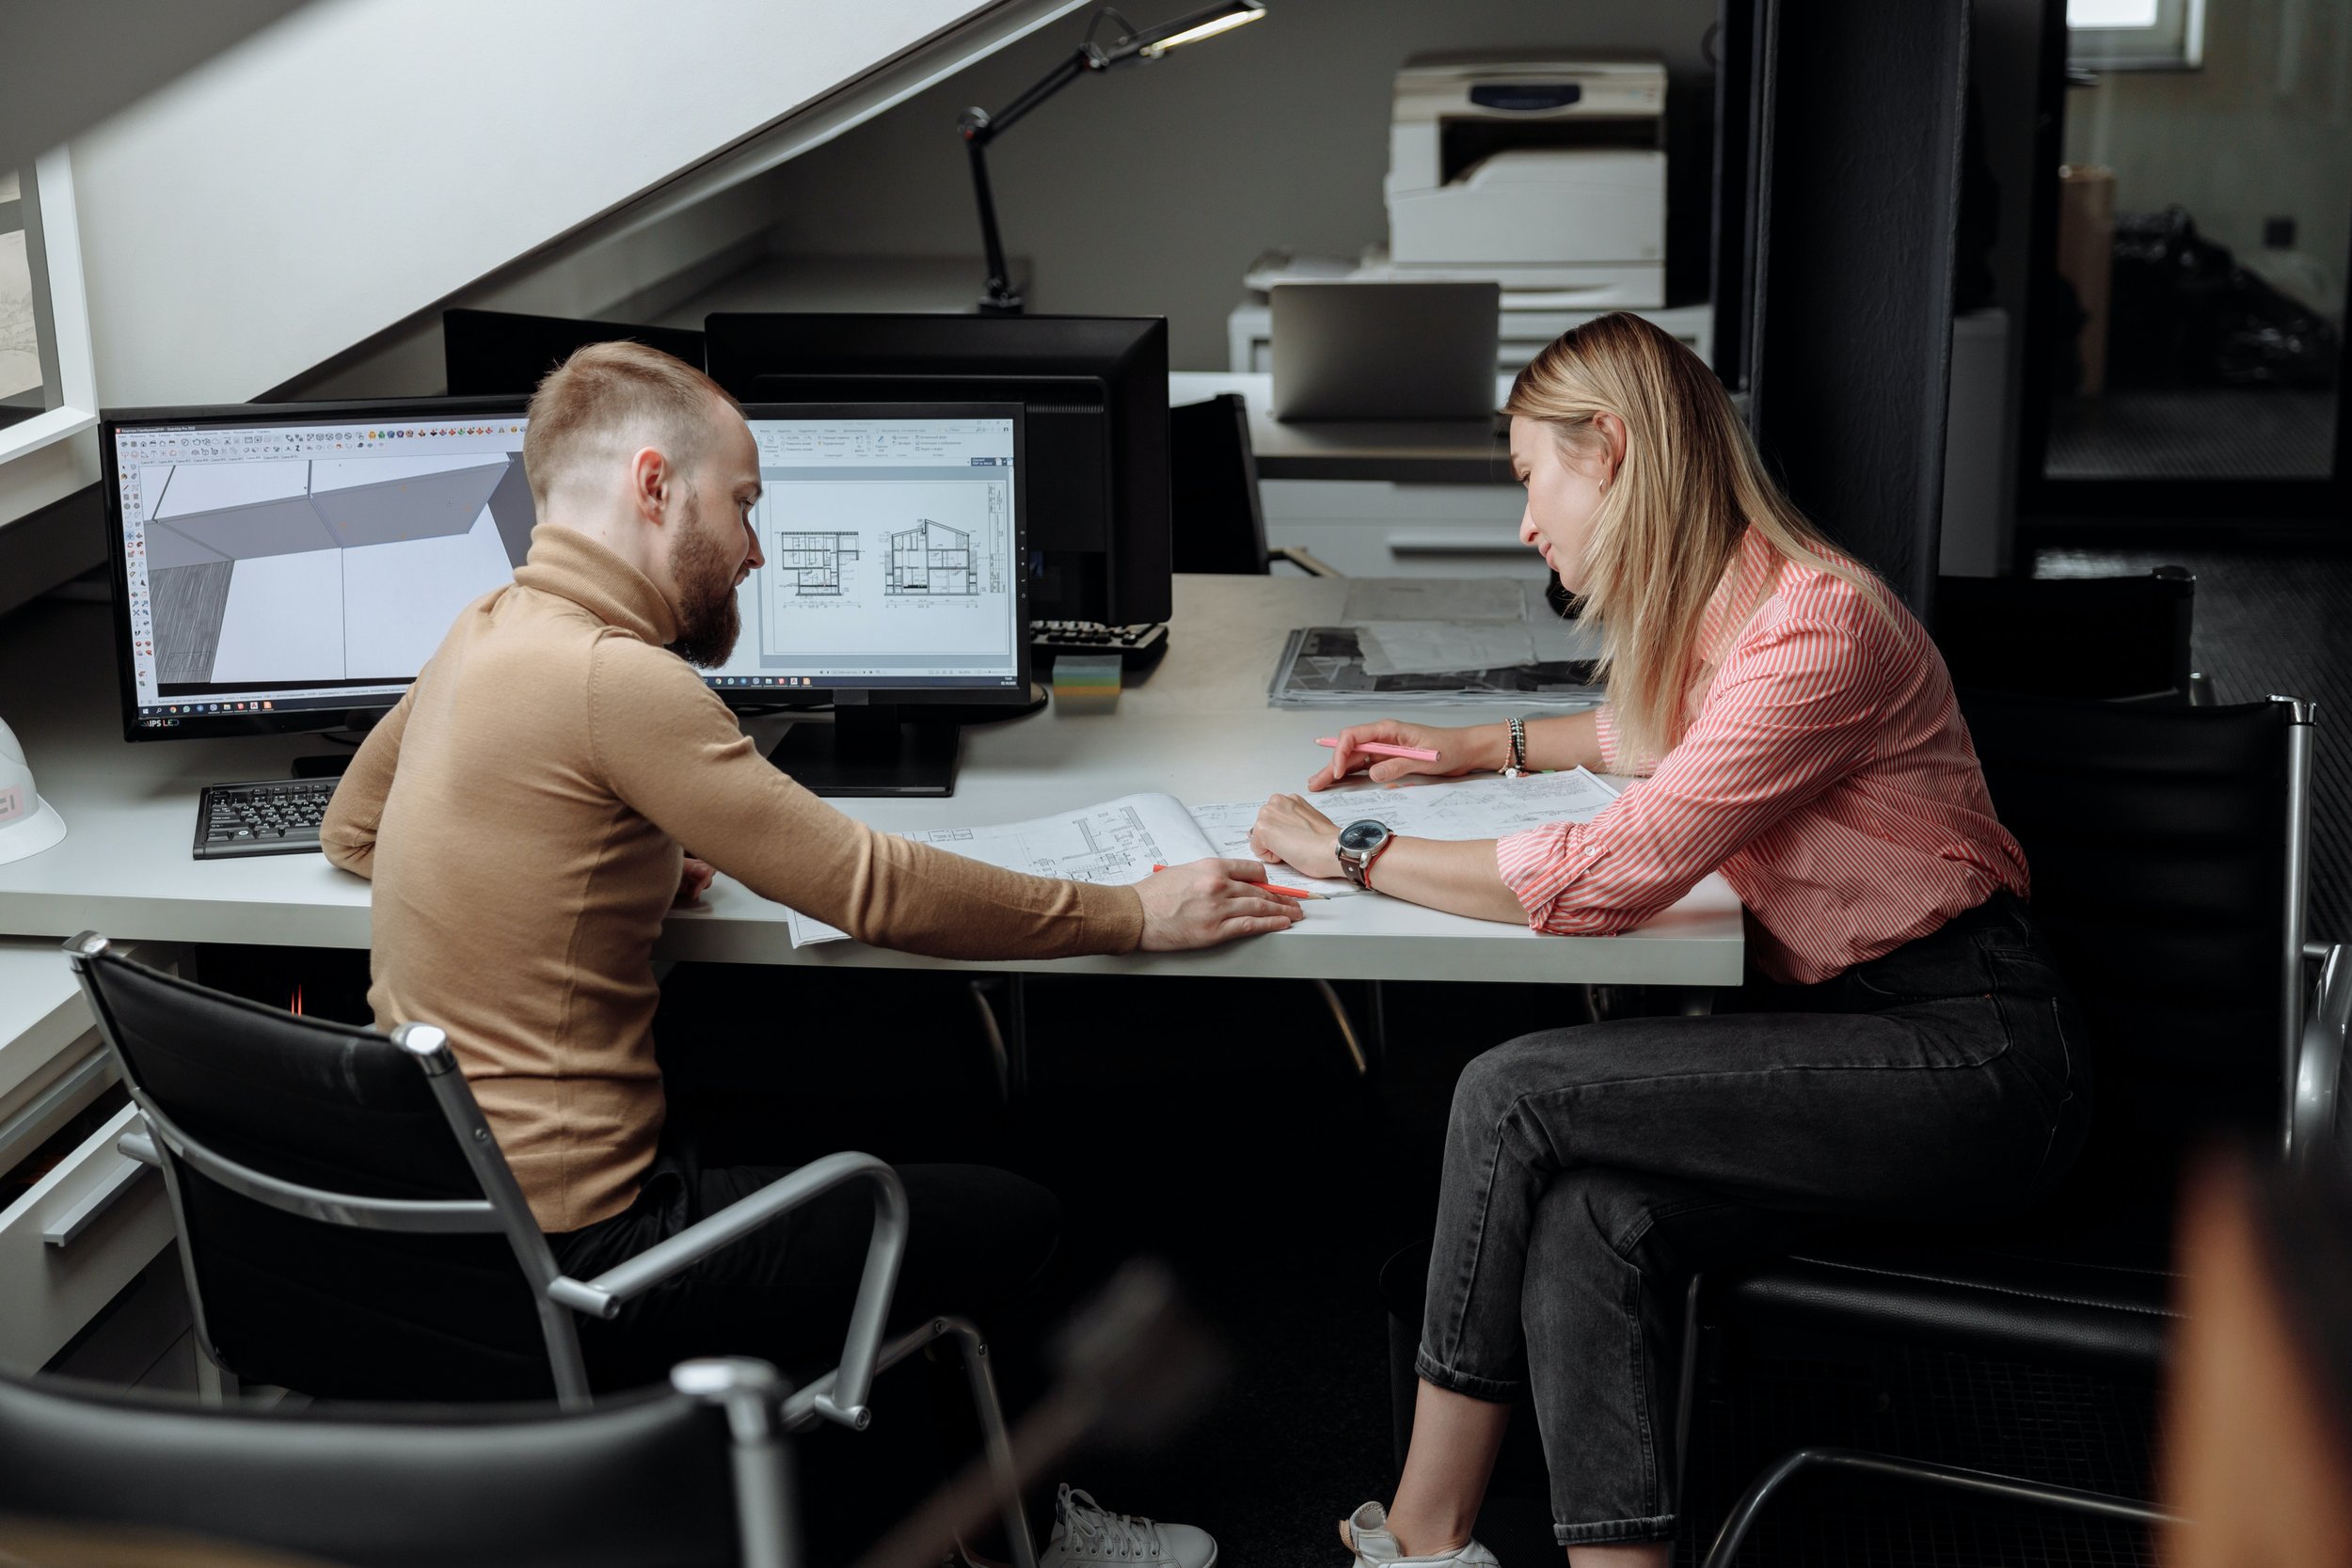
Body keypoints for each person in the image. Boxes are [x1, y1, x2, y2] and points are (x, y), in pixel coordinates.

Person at [322, 341, 1287, 1568]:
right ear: (655, 484)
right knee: (1018, 1213)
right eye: (747, 503)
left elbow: (352, 826)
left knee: (804, 1081)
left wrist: (591, 851)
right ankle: (1023, 1539)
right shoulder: (617, 682)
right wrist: (1131, 915)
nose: (759, 548)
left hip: (451, 1219)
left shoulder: (490, 626)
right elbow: (871, 888)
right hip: (595, 1248)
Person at [1249, 313, 2089, 1566]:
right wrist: (1483, 746)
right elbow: (1647, 737)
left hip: (1970, 1056)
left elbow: (1618, 873)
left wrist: (1350, 851)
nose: (1528, 523)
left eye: (1534, 477)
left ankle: (1420, 1544)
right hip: (1847, 1040)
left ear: (1615, 452)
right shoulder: (1736, 611)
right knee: (1590, 1216)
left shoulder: (1820, 626)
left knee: (1509, 1095)